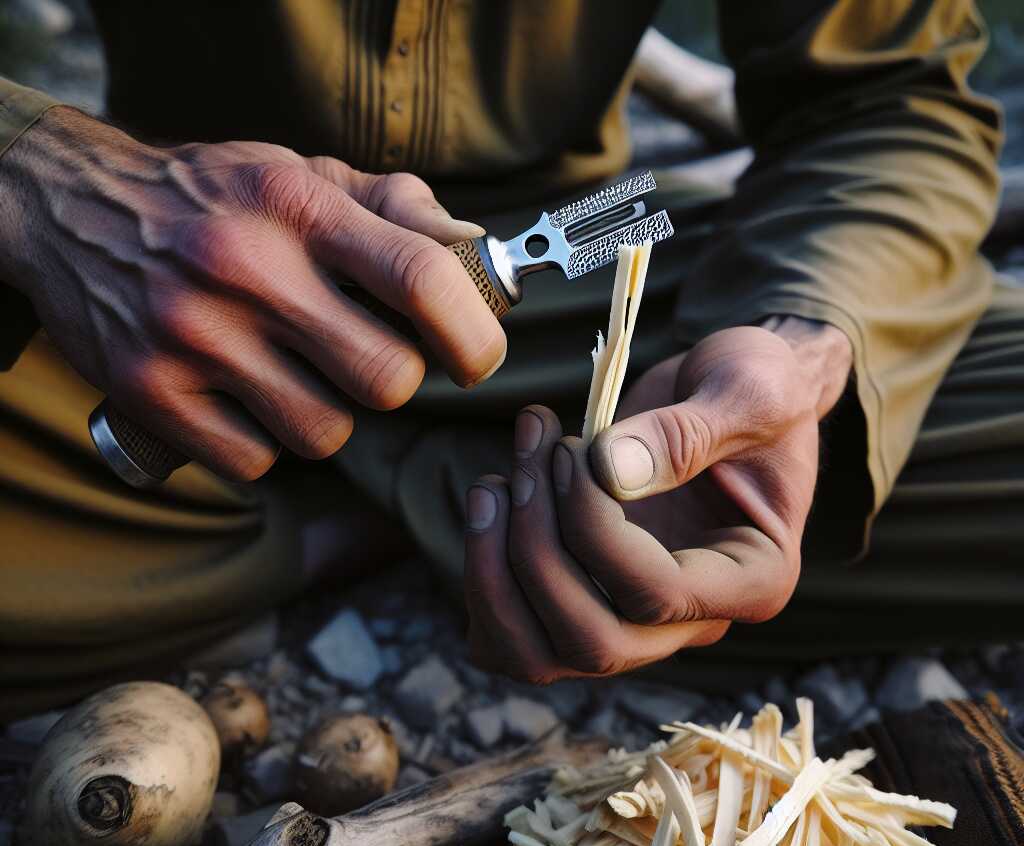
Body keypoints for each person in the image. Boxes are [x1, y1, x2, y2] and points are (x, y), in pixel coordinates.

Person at [0, 1, 1020, 712]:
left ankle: (373, 513)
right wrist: (49, 179)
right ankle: (441, 508)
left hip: (589, 335)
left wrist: (800, 346)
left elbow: (894, 103)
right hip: (153, 304)